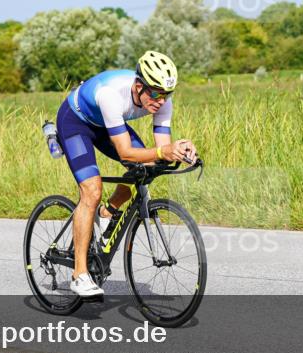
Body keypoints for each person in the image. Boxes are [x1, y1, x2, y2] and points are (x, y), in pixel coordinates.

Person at [54, 50, 197, 300]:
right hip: (75, 123)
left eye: (166, 95)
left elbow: (160, 149)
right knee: (91, 190)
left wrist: (180, 152)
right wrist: (165, 151)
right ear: (138, 86)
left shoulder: (162, 102)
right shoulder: (111, 95)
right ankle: (79, 275)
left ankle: (109, 211)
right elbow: (126, 152)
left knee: (149, 167)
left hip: (106, 125)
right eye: (154, 93)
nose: (160, 101)